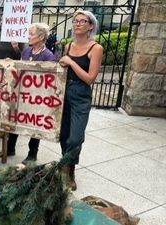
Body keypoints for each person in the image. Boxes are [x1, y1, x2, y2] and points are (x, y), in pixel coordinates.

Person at [58, 10, 103, 190]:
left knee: (75, 137)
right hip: (64, 92)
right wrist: (63, 62)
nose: (77, 24)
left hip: (81, 94)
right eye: (75, 21)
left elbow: (90, 78)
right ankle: (66, 167)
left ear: (90, 26)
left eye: (82, 21)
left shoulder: (96, 48)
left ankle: (70, 168)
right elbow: (63, 68)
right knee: (63, 134)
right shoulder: (68, 45)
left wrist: (70, 62)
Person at [6, 23, 56, 164]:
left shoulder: (48, 56)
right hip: (23, 94)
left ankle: (32, 154)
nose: (28, 36)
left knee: (35, 124)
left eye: (31, 34)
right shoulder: (26, 51)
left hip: (38, 97)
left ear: (41, 37)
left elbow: (49, 79)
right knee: (16, 119)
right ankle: (10, 147)